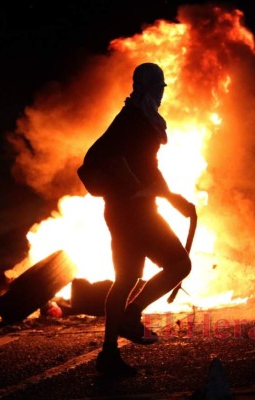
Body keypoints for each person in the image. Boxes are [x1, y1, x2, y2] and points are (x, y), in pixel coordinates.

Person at [79, 63, 195, 377]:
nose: (160, 94)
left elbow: (150, 169)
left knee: (126, 279)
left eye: (161, 89)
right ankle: (132, 315)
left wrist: (171, 198)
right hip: (133, 212)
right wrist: (139, 192)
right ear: (145, 88)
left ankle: (108, 355)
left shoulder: (140, 120)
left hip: (123, 211)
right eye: (157, 88)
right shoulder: (133, 121)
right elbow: (118, 160)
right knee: (179, 265)